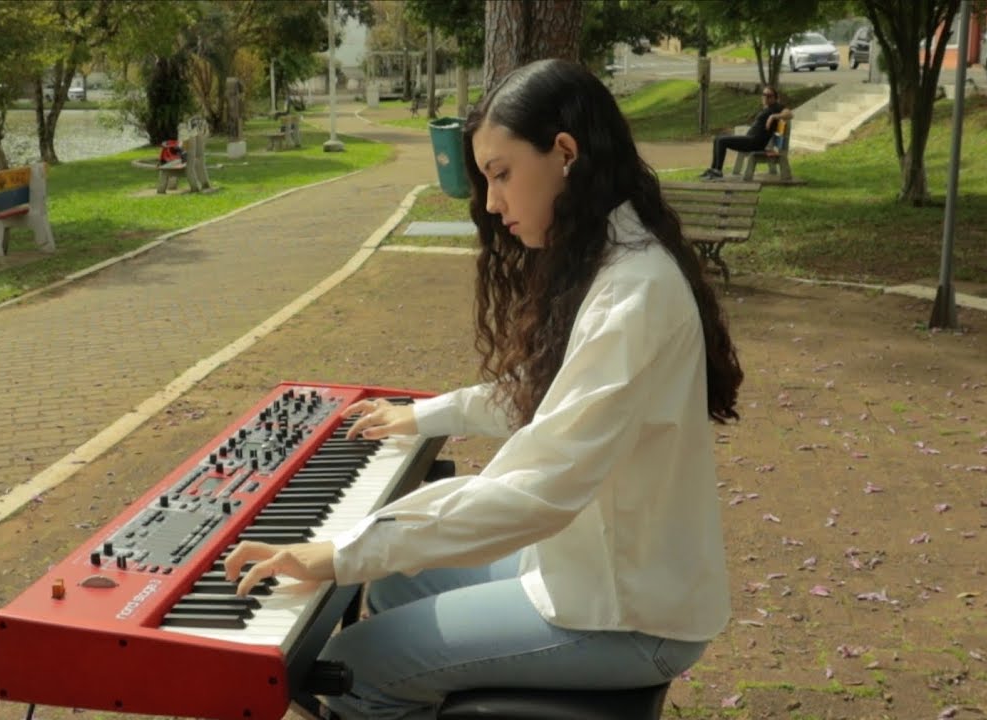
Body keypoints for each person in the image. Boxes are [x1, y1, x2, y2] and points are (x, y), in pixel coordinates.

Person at [224, 58, 743, 719]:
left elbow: (537, 491)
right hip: (591, 568)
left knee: (354, 666)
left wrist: (340, 551)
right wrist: (424, 417)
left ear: (565, 154)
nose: (493, 204)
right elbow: (545, 393)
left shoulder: (633, 294)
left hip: (630, 613)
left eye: (501, 174)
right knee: (393, 585)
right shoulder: (613, 255)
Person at [700, 85, 792, 180]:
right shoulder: (768, 108)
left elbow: (789, 114)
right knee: (717, 139)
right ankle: (713, 169)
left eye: (769, 96)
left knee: (721, 141)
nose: (766, 97)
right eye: (764, 95)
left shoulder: (776, 107)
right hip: (751, 139)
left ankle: (718, 171)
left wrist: (773, 117)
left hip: (755, 143)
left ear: (775, 98)